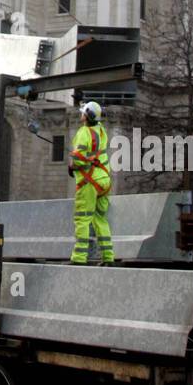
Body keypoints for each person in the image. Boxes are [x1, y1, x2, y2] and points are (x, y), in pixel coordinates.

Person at [69, 101, 114, 265]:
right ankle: (109, 258)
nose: (80, 114)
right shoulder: (101, 130)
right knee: (100, 219)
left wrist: (73, 165)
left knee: (82, 220)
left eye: (83, 112)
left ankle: (79, 258)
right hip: (104, 180)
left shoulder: (84, 132)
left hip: (89, 182)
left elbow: (79, 157)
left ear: (87, 116)